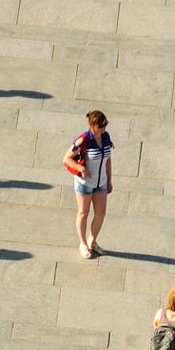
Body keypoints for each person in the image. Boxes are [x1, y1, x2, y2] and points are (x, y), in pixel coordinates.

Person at [70, 109, 114, 259]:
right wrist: (81, 168)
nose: (104, 128)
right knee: (83, 213)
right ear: (93, 126)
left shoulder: (106, 137)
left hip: (100, 182)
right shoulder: (83, 140)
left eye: (105, 125)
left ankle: (92, 241)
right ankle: (82, 243)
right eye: (101, 126)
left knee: (101, 213)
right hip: (85, 183)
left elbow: (108, 159)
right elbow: (66, 158)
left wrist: (109, 180)